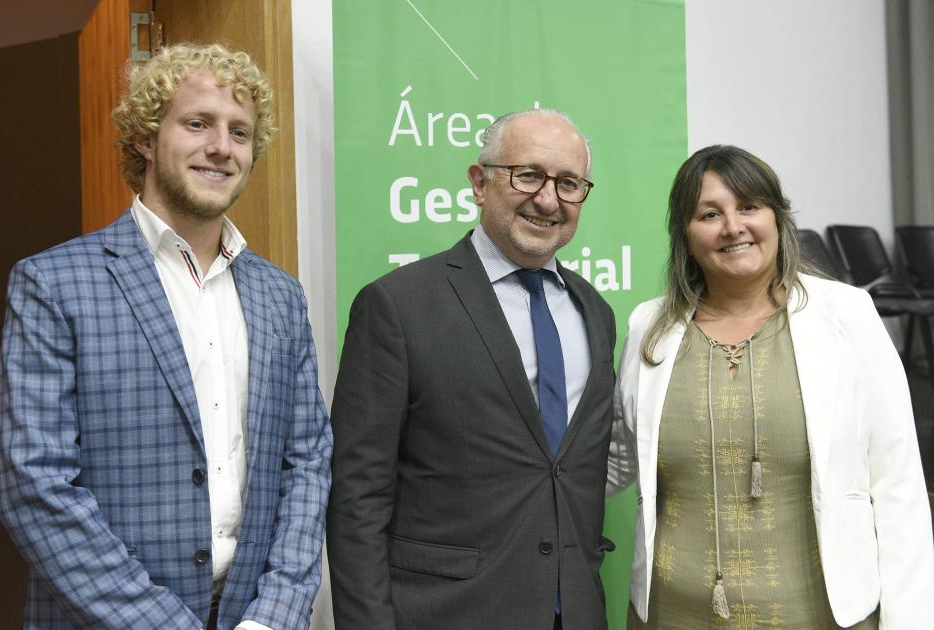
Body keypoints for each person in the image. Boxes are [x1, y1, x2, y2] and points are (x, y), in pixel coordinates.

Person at [0, 43, 332, 630]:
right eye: (197, 123)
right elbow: (35, 485)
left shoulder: (281, 295)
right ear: (146, 138)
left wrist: (273, 616)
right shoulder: (53, 283)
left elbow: (307, 464)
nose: (222, 147)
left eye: (240, 132)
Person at [608, 144, 934, 628]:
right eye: (709, 213)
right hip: (673, 615)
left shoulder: (846, 315)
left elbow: (898, 484)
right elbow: (616, 457)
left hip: (820, 616)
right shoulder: (649, 325)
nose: (732, 227)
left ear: (778, 219)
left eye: (748, 207)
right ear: (685, 234)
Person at [326, 109, 617, 630]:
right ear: (480, 183)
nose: (548, 199)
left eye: (569, 183)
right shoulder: (398, 305)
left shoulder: (595, 312)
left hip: (573, 613)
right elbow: (357, 498)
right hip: (445, 615)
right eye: (527, 175)